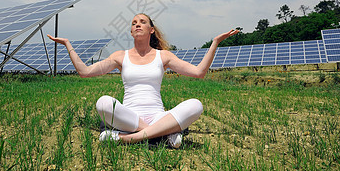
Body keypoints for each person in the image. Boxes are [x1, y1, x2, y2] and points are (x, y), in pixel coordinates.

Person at [47, 13, 238, 148]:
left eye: (142, 22)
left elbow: (199, 72)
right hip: (129, 117)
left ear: (151, 30)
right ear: (131, 32)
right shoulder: (120, 56)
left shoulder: (163, 56)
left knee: (196, 105)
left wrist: (215, 43)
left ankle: (126, 139)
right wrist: (68, 45)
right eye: (133, 23)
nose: (137, 24)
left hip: (158, 116)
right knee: (103, 103)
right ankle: (163, 134)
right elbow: (85, 72)